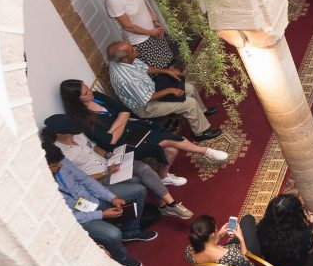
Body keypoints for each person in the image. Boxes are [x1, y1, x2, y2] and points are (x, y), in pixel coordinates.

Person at [60, 79, 227, 186]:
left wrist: (117, 123)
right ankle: (206, 152)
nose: (90, 92)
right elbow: (110, 140)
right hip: (122, 145)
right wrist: (121, 120)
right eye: (85, 93)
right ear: (76, 99)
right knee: (167, 142)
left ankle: (163, 176)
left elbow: (124, 110)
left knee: (171, 148)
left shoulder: (97, 96)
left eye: (87, 88)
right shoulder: (80, 119)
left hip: (134, 129)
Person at [43, 116, 192, 219]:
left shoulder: (78, 135)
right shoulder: (59, 153)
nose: (75, 130)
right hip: (99, 178)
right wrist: (106, 172)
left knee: (143, 168)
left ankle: (171, 204)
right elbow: (81, 179)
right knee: (138, 181)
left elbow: (94, 148)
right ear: (59, 134)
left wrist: (109, 155)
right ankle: (162, 206)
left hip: (110, 165)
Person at [47, 140, 153, 266]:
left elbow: (86, 180)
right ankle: (122, 258)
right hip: (79, 217)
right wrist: (101, 214)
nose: (59, 167)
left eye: (59, 163)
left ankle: (130, 232)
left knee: (139, 190)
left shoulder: (61, 162)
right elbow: (68, 217)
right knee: (113, 234)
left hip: (92, 199)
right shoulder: (42, 189)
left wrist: (112, 198)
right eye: (54, 166)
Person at [106, 41, 221, 141]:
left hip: (151, 90)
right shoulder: (126, 79)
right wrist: (170, 90)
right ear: (125, 58)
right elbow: (146, 99)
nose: (135, 48)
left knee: (189, 88)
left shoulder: (126, 60)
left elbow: (146, 68)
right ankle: (200, 133)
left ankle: (201, 111)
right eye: (132, 49)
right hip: (146, 106)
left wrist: (167, 71)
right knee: (189, 104)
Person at [99, 0, 174, 68]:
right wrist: (151, 33)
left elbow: (142, 3)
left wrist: (155, 21)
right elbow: (128, 26)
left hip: (154, 31)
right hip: (141, 41)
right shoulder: (112, 0)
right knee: (160, 68)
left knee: (169, 60)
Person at [185, 215, 254, 266]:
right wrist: (241, 239)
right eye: (216, 229)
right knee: (248, 219)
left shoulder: (188, 251)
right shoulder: (232, 254)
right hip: (245, 262)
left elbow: (207, 246)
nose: (217, 230)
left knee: (245, 231)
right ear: (212, 235)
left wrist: (218, 235)